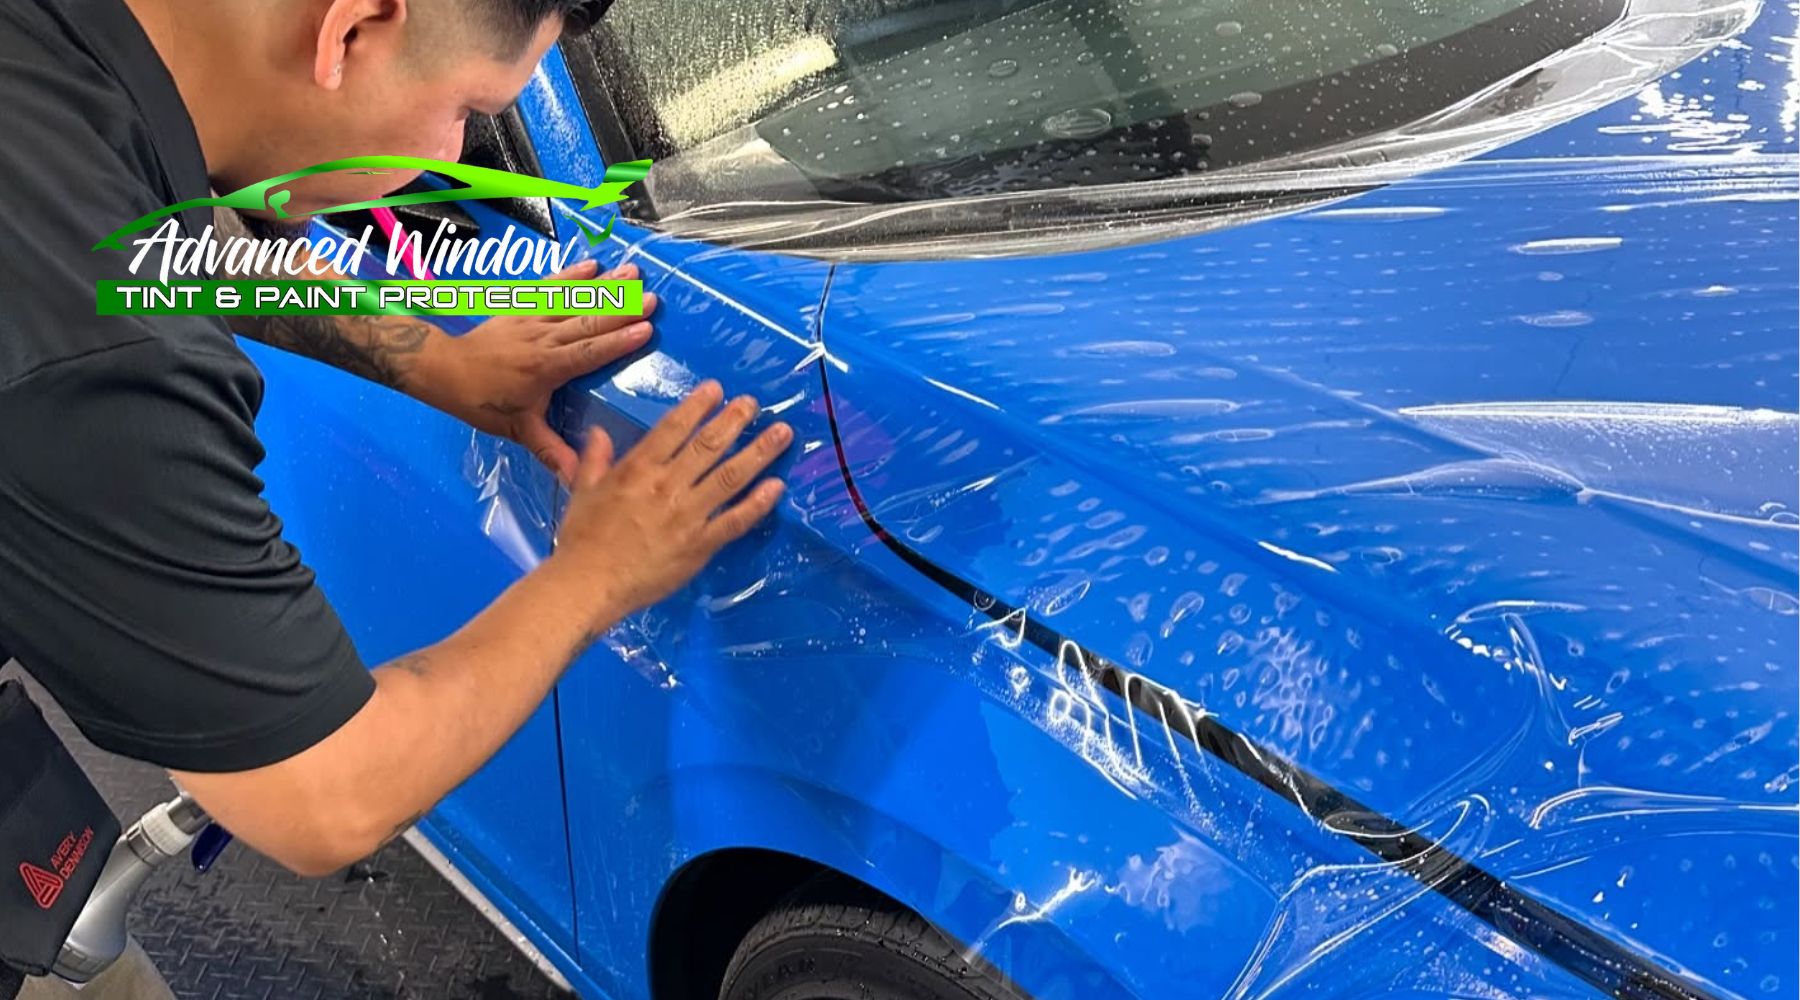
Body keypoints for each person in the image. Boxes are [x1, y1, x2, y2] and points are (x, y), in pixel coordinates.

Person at [0, 0, 791, 994]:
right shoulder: (85, 349)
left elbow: (155, 235)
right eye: (468, 112)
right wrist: (600, 571)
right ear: (352, 32)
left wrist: (426, 354)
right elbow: (322, 796)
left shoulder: (61, 66)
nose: (445, 161)